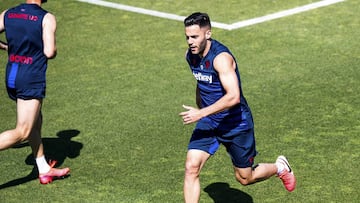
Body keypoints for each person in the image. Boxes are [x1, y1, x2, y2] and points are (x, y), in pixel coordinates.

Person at [179, 12, 296, 202]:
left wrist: (200, 112)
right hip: (210, 120)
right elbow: (202, 82)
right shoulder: (190, 56)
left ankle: (280, 167)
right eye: (187, 37)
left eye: (194, 37)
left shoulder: (221, 58)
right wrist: (202, 109)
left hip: (236, 123)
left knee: (245, 177)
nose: (190, 42)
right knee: (191, 167)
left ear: (208, 34)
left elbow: (233, 96)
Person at [0, 0, 70, 184]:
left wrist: (7, 47)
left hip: (12, 76)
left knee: (36, 120)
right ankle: (43, 168)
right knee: (23, 131)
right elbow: (49, 52)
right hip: (30, 77)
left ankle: (44, 169)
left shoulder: (9, 13)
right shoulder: (46, 18)